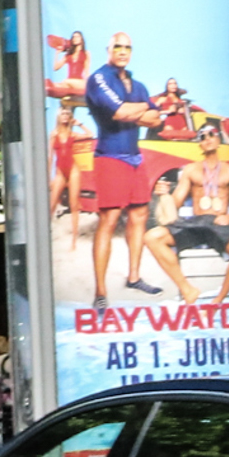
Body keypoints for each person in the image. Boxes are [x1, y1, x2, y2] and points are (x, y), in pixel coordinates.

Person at [83, 32, 164, 307]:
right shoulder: (99, 79)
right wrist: (145, 107)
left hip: (134, 157)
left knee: (140, 213)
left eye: (127, 47)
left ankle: (134, 276)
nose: (122, 51)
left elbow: (155, 120)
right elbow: (120, 113)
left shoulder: (137, 84)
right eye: (117, 46)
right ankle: (101, 292)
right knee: (109, 218)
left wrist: (138, 110)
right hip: (110, 156)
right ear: (108, 50)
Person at [141, 130, 229, 306]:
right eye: (202, 137)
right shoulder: (191, 170)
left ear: (219, 140)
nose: (207, 139)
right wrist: (164, 195)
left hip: (218, 224)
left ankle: (217, 301)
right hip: (196, 224)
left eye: (211, 134)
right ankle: (187, 289)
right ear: (199, 144)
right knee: (151, 237)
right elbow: (175, 203)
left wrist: (228, 219)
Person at [48, 102, 86, 226]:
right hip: (60, 171)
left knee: (74, 204)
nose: (65, 116)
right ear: (58, 117)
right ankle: (46, 229)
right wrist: (49, 177)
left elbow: (89, 134)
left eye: (67, 114)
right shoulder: (54, 134)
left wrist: (79, 124)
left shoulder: (72, 134)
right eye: (63, 114)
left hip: (73, 169)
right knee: (51, 204)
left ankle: (74, 242)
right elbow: (50, 157)